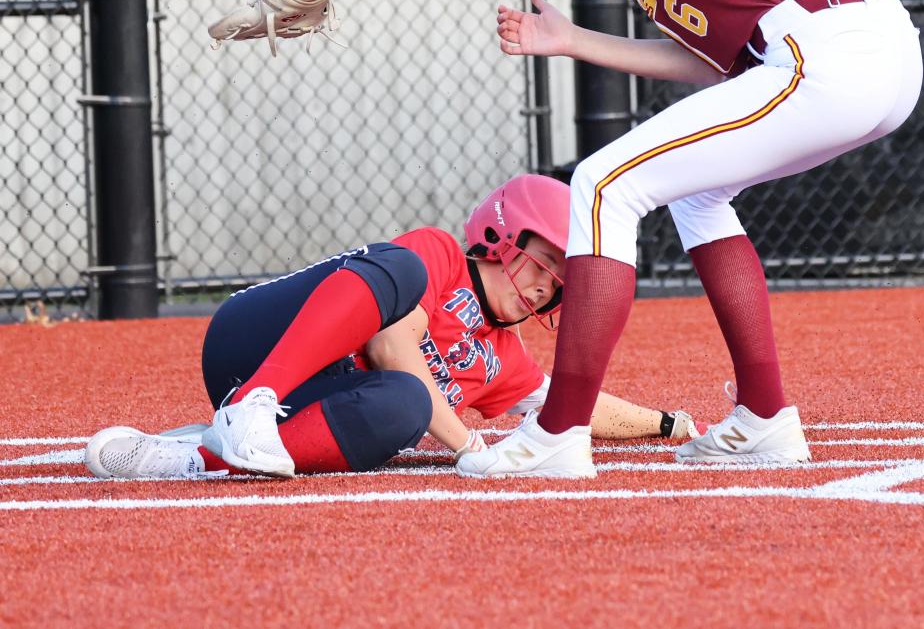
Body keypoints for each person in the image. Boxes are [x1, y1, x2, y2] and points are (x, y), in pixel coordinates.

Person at [207, 0, 921, 478]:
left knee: (605, 185)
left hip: (825, 52)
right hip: (871, 47)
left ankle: (557, 434)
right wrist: (573, 40)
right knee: (699, 197)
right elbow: (719, 62)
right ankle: (766, 416)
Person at [84, 174, 700, 480]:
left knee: (404, 406)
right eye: (550, 260)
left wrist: (670, 424)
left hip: (314, 405)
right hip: (254, 341)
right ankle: (249, 403)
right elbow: (389, 341)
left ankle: (198, 459)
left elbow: (574, 404)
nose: (549, 284)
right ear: (505, 232)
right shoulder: (438, 254)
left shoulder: (503, 356)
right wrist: (467, 446)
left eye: (563, 281)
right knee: (399, 269)